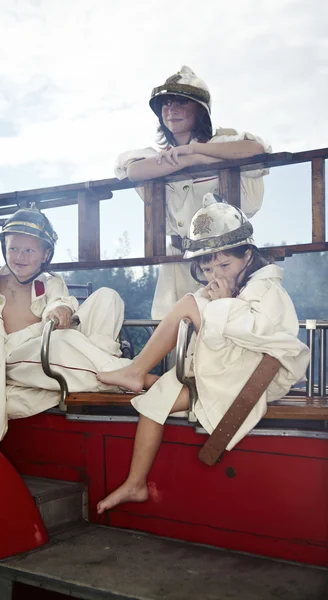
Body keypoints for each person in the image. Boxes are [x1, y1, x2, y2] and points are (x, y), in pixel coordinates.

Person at [96, 193, 309, 514]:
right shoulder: (227, 286)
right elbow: (214, 323)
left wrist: (220, 304)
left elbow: (260, 335)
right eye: (208, 268)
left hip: (257, 375)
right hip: (228, 370)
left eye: (225, 264)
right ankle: (135, 483)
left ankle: (137, 372)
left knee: (189, 303)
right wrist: (218, 301)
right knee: (153, 402)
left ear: (248, 256)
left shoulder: (268, 289)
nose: (216, 275)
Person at [0, 206, 148, 446]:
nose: (20, 256)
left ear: (45, 255)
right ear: (4, 248)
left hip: (48, 343)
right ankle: (125, 372)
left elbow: (58, 302)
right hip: (13, 354)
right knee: (63, 341)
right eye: (13, 248)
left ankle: (105, 366)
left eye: (29, 250)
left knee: (107, 296)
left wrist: (61, 309)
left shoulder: (51, 282)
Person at [115, 65, 272, 319]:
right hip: (177, 258)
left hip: (221, 260)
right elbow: (132, 171)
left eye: (181, 103)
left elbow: (256, 150)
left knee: (222, 322)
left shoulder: (223, 145)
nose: (171, 110)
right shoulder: (156, 157)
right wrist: (184, 161)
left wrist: (195, 153)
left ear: (200, 110)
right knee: (172, 327)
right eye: (165, 104)